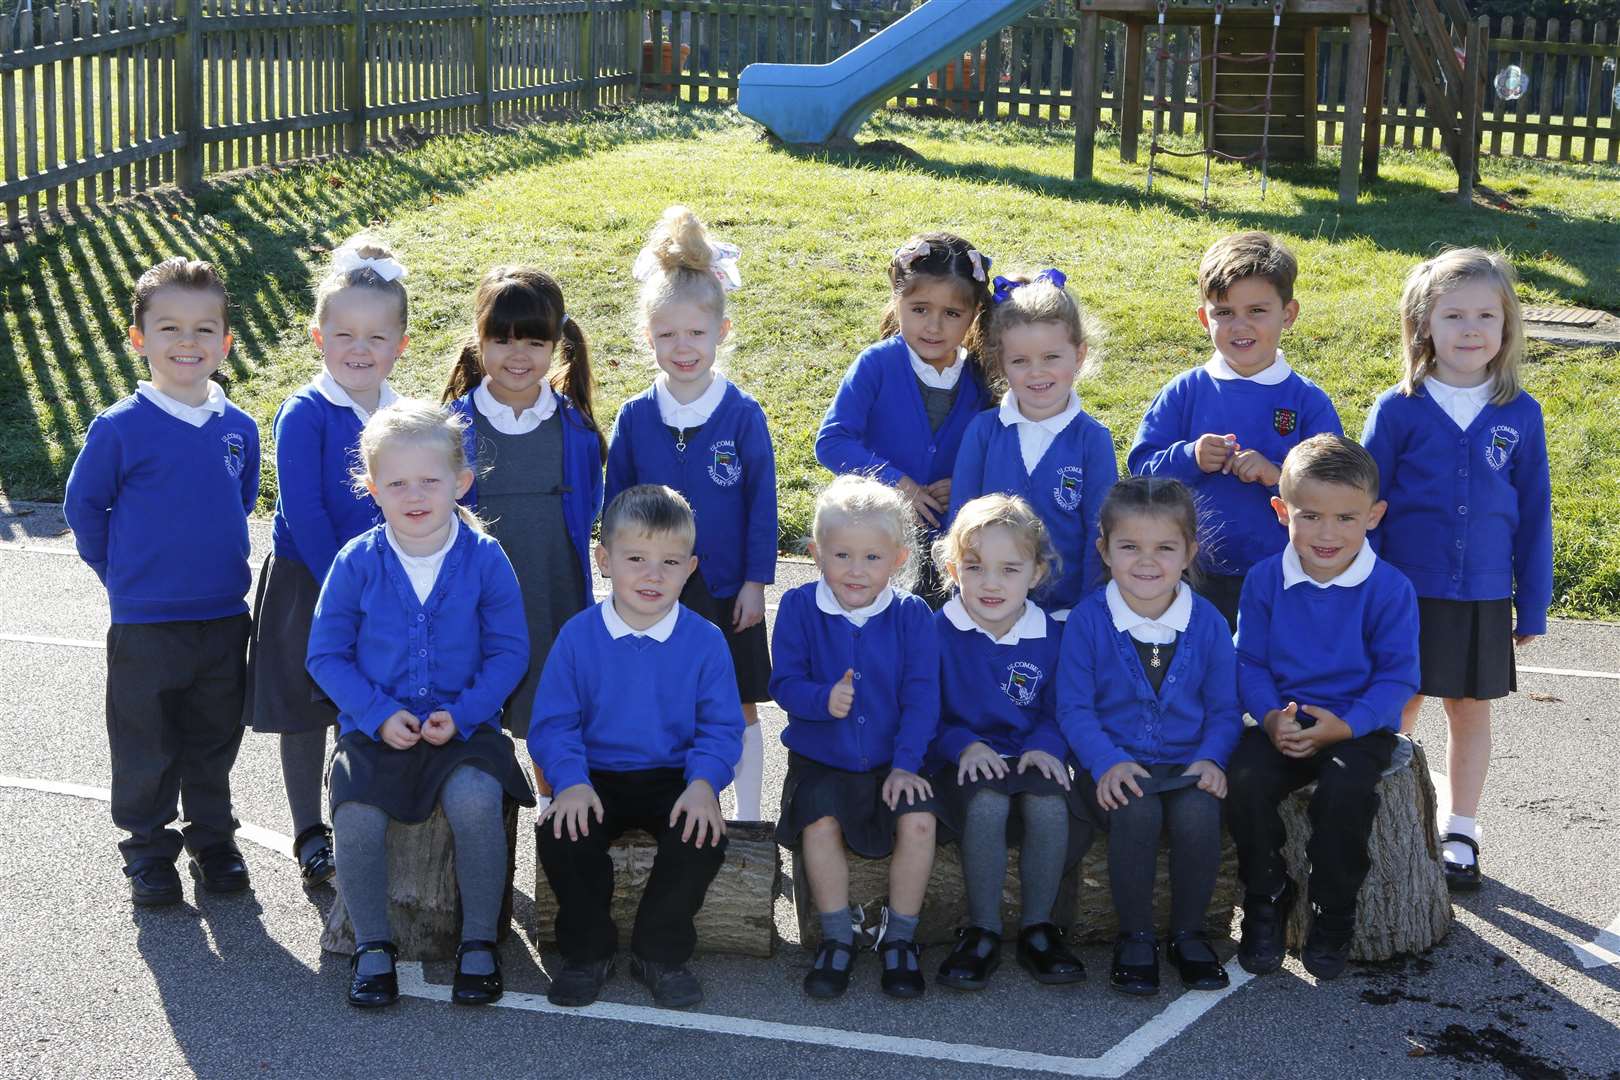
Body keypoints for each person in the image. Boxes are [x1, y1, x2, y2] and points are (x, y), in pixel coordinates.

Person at [307, 400, 535, 1009]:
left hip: (466, 728)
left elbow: (511, 652)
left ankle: (480, 941)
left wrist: (462, 714)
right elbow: (326, 656)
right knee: (355, 815)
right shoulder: (355, 562)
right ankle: (374, 946)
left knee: (475, 800)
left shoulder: (486, 558)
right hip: (374, 729)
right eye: (397, 482)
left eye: (430, 481)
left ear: (460, 483)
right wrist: (377, 712)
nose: (415, 494)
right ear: (372, 488)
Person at [65, 257, 259, 906]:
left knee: (212, 740)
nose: (188, 342)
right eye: (169, 327)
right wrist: (118, 576)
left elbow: (242, 495)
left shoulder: (239, 427)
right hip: (145, 622)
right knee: (146, 746)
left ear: (226, 343)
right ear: (138, 338)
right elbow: (84, 507)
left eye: (205, 330)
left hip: (224, 616)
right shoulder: (121, 427)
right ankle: (148, 853)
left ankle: (212, 842)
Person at [1362, 248, 1551, 892]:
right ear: (1423, 325)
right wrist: (1364, 591)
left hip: (1484, 594)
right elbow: (1369, 506)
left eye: (1486, 315)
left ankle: (1461, 829)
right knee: (1401, 699)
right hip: (1404, 593)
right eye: (1454, 315)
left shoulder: (1520, 413)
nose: (1471, 329)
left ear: (1506, 327)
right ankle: (1380, 812)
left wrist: (1533, 601)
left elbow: (1534, 515)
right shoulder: (1399, 408)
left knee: (1469, 708)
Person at [529, 485, 744, 1011]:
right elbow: (553, 724)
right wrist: (570, 781)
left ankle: (659, 952)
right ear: (604, 560)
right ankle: (588, 952)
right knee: (561, 834)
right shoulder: (578, 637)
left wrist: (703, 785)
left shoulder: (706, 641)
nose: (653, 575)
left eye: (670, 561)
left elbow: (721, 728)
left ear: (690, 567)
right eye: (636, 559)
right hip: (593, 773)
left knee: (700, 839)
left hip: (673, 774)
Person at [245, 236, 412, 889]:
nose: (360, 348)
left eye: (376, 336)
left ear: (399, 342)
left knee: (363, 705)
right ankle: (310, 832)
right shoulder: (305, 412)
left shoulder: (402, 415)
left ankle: (358, 823)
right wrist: (345, 589)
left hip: (383, 587)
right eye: (344, 333)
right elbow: (306, 511)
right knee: (305, 709)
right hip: (308, 583)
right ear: (319, 336)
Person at [1225, 434, 1420, 981]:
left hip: (1358, 725)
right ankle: (1267, 894)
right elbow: (1249, 662)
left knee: (1345, 793)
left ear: (1374, 516)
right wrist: (1269, 717)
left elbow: (1397, 676)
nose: (1326, 534)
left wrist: (1347, 725)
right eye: (1309, 516)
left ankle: (1333, 910)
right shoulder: (1265, 578)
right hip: (1282, 722)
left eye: (1345, 517)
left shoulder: (1389, 588)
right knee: (1241, 778)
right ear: (1280, 510)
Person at [604, 206, 776, 820]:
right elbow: (616, 501)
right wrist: (620, 573)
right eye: (668, 335)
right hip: (655, 587)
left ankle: (752, 818)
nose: (684, 348)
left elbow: (763, 504)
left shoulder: (742, 414)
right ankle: (670, 810)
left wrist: (756, 580)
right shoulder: (634, 416)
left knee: (740, 703)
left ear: (721, 332)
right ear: (648, 337)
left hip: (729, 588)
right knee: (661, 698)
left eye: (696, 334)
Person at [1058, 477, 1241, 995]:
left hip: (1185, 766)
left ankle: (1189, 934)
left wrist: (1211, 760)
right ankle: (1135, 936)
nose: (1146, 561)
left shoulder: (1206, 622)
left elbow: (1226, 710)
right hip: (1114, 766)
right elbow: (1073, 708)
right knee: (1135, 812)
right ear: (1105, 551)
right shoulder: (1089, 621)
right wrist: (1106, 761)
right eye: (1129, 547)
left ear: (1189, 553)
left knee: (1199, 814)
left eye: (1165, 548)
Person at [770, 475, 941, 1000]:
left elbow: (922, 699)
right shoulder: (799, 608)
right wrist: (822, 700)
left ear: (897, 558)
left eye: (872, 557)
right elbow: (783, 684)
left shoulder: (912, 615)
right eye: (841, 555)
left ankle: (901, 940)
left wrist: (907, 764)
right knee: (820, 826)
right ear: (815, 553)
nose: (856, 570)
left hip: (897, 759)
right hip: (823, 760)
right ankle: (837, 937)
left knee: (917, 822)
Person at [442, 265, 605, 807]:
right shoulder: (450, 429)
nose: (518, 355)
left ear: (556, 345)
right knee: (474, 734)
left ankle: (559, 833)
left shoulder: (576, 431)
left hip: (552, 599)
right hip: (474, 607)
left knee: (551, 728)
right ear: (479, 339)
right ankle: (481, 849)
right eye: (502, 339)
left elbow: (589, 515)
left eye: (535, 341)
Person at [1128, 231, 1341, 630]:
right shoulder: (1184, 391)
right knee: (1194, 678)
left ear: (1288, 314)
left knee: (1266, 678)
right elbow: (1140, 471)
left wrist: (1278, 476)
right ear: (1203, 318)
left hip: (1282, 572)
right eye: (1224, 312)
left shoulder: (1308, 402)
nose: (1239, 325)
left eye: (1257, 310)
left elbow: (1335, 492)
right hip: (1188, 572)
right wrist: (1188, 457)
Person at [927, 494, 1089, 991]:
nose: (991, 584)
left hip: (1027, 751)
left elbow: (1062, 707)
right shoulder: (936, 632)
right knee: (989, 805)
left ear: (1037, 573)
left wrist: (1047, 746)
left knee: (1049, 805)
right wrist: (962, 745)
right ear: (953, 569)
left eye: (1009, 569)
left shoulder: (1051, 636)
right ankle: (982, 931)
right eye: (975, 568)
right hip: (960, 760)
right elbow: (924, 712)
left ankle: (1040, 929)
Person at [815, 232, 995, 607]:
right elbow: (832, 442)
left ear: (974, 315)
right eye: (919, 309)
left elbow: (992, 446)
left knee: (930, 641)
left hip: (948, 544)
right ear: (898, 302)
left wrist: (964, 478)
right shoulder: (876, 364)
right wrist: (900, 485)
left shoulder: (980, 378)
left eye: (952, 314)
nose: (933, 326)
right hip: (874, 543)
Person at [948, 269, 1115, 617]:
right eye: (1020, 361)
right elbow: (959, 523)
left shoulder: (1092, 440)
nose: (1036, 372)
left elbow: (1100, 534)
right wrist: (963, 604)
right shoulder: (983, 431)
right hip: (988, 609)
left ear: (1079, 355)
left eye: (1051, 357)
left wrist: (1087, 613)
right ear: (1001, 363)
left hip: (1066, 614)